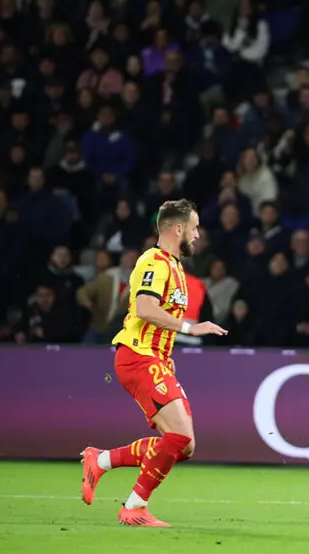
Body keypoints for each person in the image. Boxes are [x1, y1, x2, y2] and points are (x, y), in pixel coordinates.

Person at [78, 199, 228, 527]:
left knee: (184, 445)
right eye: (194, 228)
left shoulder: (175, 267)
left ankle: (100, 461)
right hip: (138, 356)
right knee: (180, 436)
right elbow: (145, 309)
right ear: (178, 228)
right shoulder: (154, 261)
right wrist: (190, 328)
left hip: (156, 359)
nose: (198, 235)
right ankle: (134, 506)